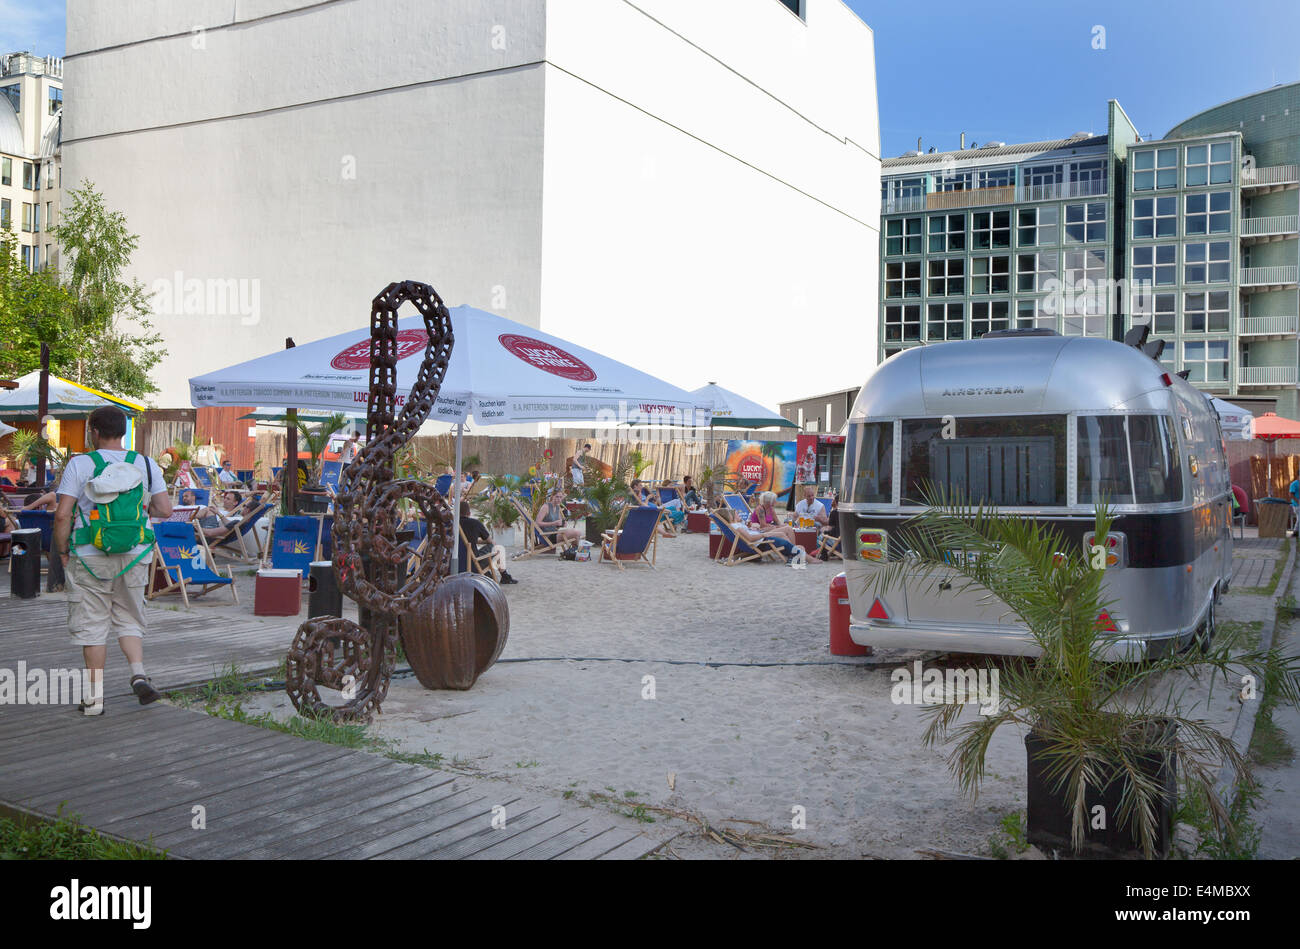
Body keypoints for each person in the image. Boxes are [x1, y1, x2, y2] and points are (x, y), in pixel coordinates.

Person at [53, 405, 172, 715]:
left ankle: (94, 698)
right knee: (129, 617)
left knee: (93, 625)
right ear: (124, 431)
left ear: (94, 432)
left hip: (90, 556)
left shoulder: (81, 464)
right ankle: (137, 673)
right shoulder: (145, 465)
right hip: (136, 554)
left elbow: (62, 514)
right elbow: (165, 509)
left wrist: (63, 550)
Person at [748, 490, 818, 561]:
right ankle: (794, 551)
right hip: (761, 532)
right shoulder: (760, 509)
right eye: (774, 500)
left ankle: (793, 549)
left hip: (770, 529)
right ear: (769, 502)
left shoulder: (771, 509)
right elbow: (763, 525)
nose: (776, 502)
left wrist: (782, 525)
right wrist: (777, 527)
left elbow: (778, 522)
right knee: (787, 529)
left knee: (788, 527)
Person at [460, 500, 517, 584]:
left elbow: (465, 541)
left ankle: (490, 574)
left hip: (456, 563)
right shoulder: (475, 523)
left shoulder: (452, 524)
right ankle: (505, 576)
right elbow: (490, 541)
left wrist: (475, 541)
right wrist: (480, 541)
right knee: (498, 548)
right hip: (473, 564)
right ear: (469, 513)